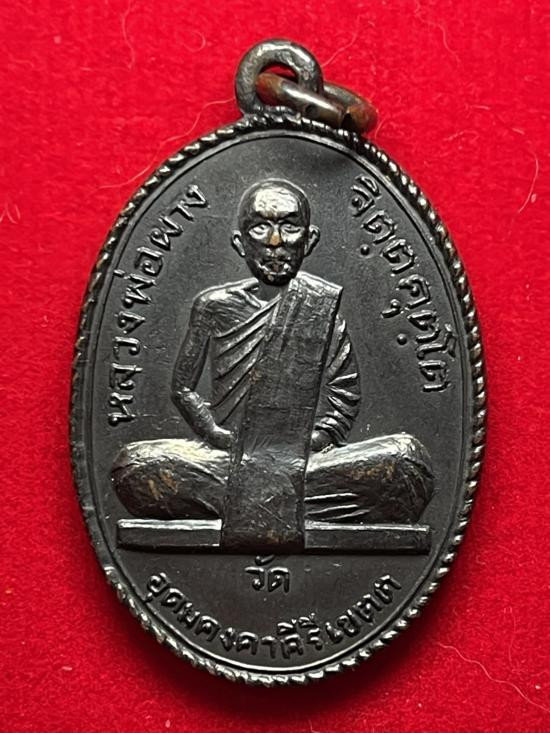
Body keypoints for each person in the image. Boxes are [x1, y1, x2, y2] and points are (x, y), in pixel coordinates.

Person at [112, 179, 433, 549]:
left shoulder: (321, 307)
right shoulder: (213, 306)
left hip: (304, 460)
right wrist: (216, 435)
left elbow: (344, 398)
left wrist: (310, 443)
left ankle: (248, 501)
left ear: (309, 241)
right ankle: (286, 502)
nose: (275, 242)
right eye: (260, 227)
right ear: (240, 243)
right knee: (135, 467)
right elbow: (182, 388)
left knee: (405, 462)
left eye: (289, 226)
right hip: (226, 457)